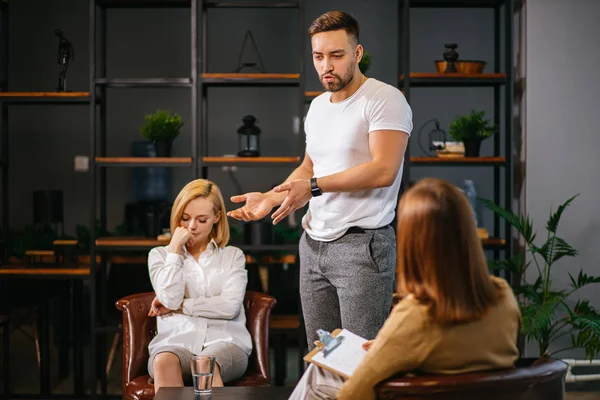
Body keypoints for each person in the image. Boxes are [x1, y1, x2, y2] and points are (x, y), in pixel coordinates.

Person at [227, 10, 413, 347]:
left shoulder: (384, 99)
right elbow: (309, 166)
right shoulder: (318, 107)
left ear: (357, 54)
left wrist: (311, 188)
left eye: (336, 55)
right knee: (321, 356)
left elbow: (383, 170)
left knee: (359, 360)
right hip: (313, 245)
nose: (326, 65)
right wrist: (272, 196)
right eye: (318, 56)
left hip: (362, 245)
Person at [288, 178, 522, 400]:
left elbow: (354, 394)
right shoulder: (503, 296)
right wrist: (390, 346)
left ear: (412, 245)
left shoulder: (414, 315)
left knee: (318, 374)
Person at [146, 179, 251, 392]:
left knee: (205, 362)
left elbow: (229, 307)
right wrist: (174, 249)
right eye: (185, 219)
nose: (191, 227)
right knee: (163, 360)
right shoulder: (160, 256)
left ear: (216, 217)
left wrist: (182, 306)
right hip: (176, 342)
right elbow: (169, 299)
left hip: (226, 342)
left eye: (201, 220)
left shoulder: (233, 256)